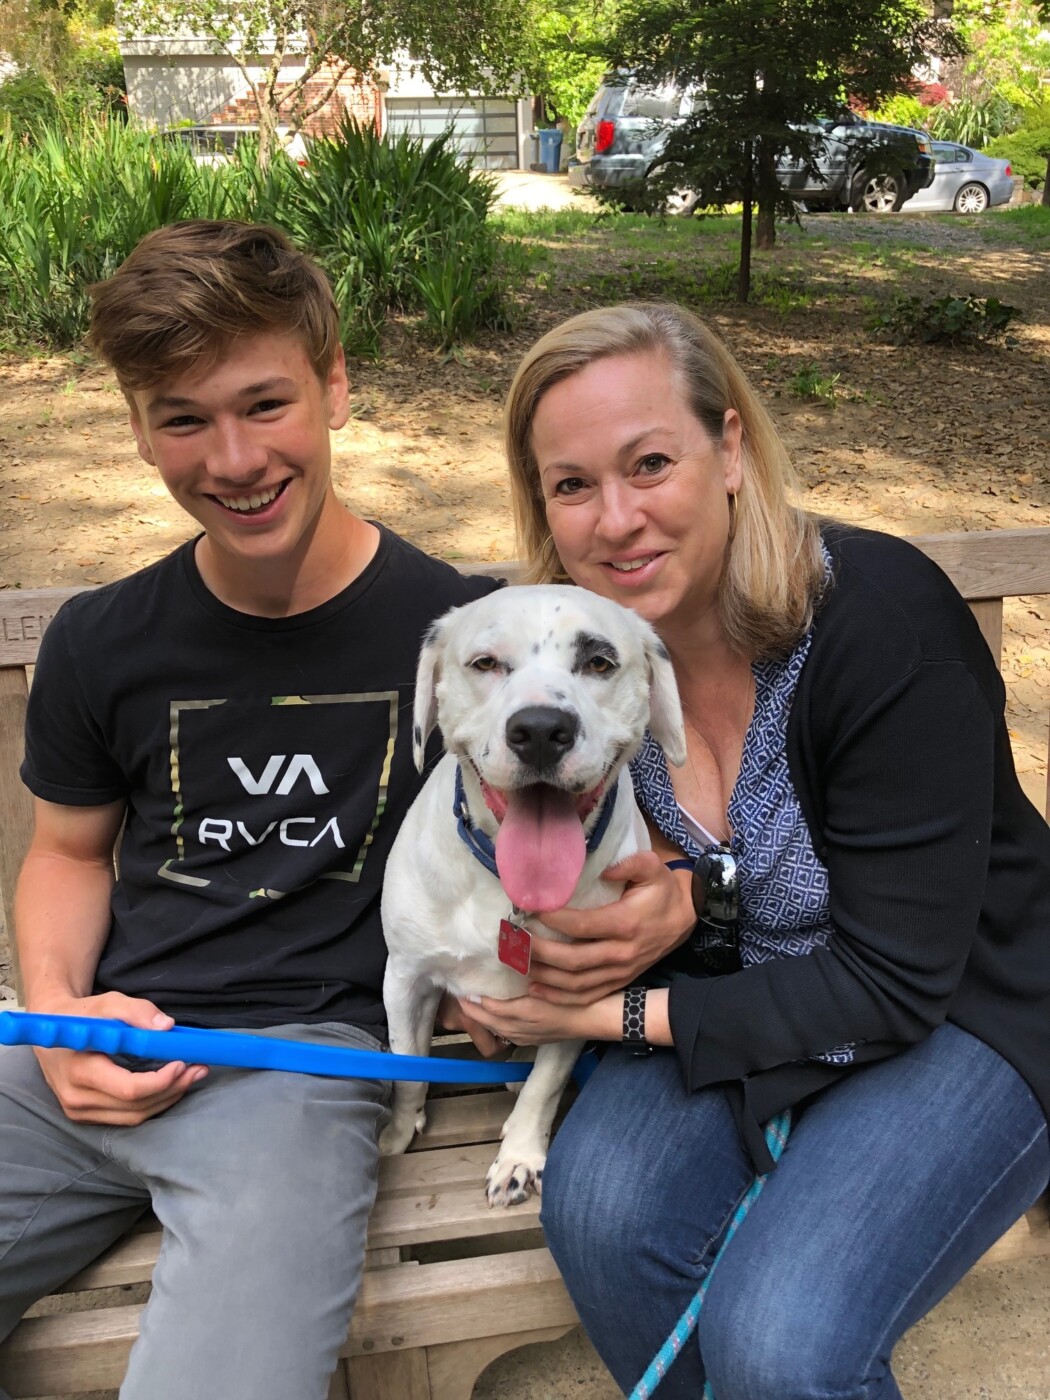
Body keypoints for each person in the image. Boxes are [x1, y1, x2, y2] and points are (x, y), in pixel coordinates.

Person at [458, 302, 1050, 1399]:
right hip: (747, 988)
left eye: (650, 463)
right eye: (573, 484)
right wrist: (520, 965)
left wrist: (599, 1014)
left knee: (783, 1339)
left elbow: (892, 978)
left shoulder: (880, 625)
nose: (617, 519)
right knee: (601, 1211)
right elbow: (697, 869)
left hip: (959, 1003)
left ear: (729, 449)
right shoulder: (575, 666)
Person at [0, 219, 498, 1400]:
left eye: (265, 403)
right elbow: (67, 852)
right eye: (182, 418)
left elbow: (534, 846)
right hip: (96, 1048)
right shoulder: (101, 639)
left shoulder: (458, 640)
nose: (233, 459)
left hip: (299, 1071)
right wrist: (58, 1017)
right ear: (138, 430)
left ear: (335, 386)